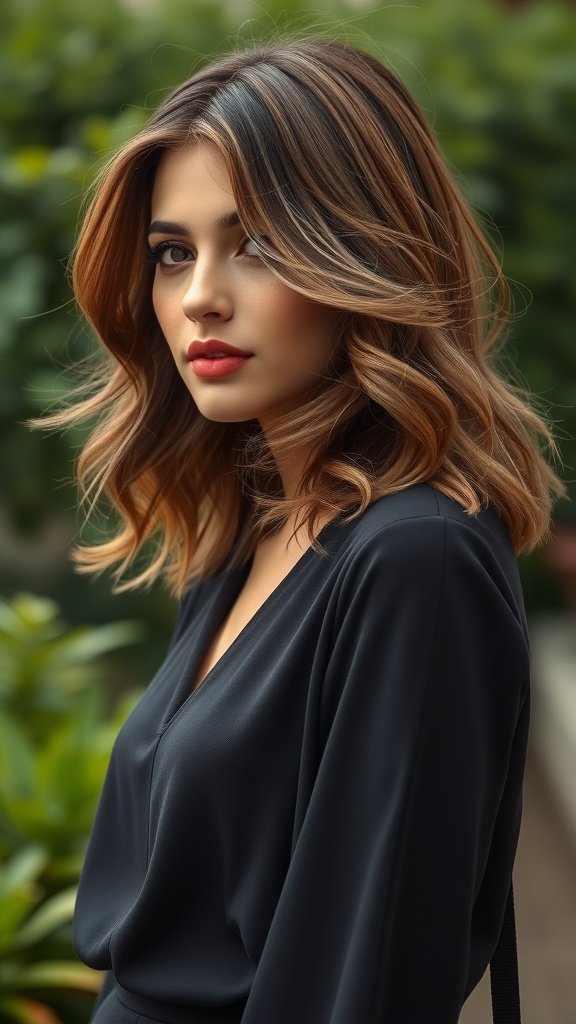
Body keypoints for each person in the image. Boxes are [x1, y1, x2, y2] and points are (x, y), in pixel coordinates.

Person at [41, 37, 563, 1024]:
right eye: (172, 253)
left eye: (260, 243)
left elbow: (363, 981)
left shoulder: (415, 561)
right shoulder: (256, 533)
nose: (199, 295)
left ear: (366, 252)